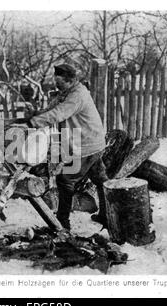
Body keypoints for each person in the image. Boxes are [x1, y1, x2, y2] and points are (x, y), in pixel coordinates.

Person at [21, 64, 109, 231]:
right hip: (93, 142)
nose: (57, 87)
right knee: (100, 180)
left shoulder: (77, 95)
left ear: (70, 81)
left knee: (65, 180)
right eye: (56, 83)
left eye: (60, 84)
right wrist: (35, 113)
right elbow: (50, 109)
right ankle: (107, 214)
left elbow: (58, 114)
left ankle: (62, 222)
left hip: (87, 145)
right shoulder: (67, 93)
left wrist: (31, 124)